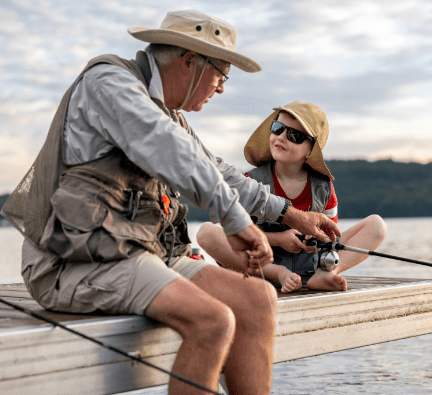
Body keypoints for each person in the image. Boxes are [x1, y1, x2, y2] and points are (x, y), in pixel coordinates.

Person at [1, 11, 341, 395]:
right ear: (190, 60)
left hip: (137, 254)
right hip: (72, 264)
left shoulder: (169, 115)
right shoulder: (108, 82)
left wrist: (294, 214)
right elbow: (168, 148)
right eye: (222, 74)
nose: (222, 88)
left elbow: (218, 171)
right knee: (212, 321)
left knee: (258, 297)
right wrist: (238, 224)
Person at [197, 101, 387, 293]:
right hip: (261, 264)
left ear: (311, 151)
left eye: (294, 136)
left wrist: (313, 242)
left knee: (376, 225)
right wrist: (279, 239)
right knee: (207, 232)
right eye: (277, 128)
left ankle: (326, 273)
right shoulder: (251, 181)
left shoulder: (323, 187)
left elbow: (331, 239)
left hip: (310, 264)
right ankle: (275, 272)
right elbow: (235, 233)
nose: (281, 138)